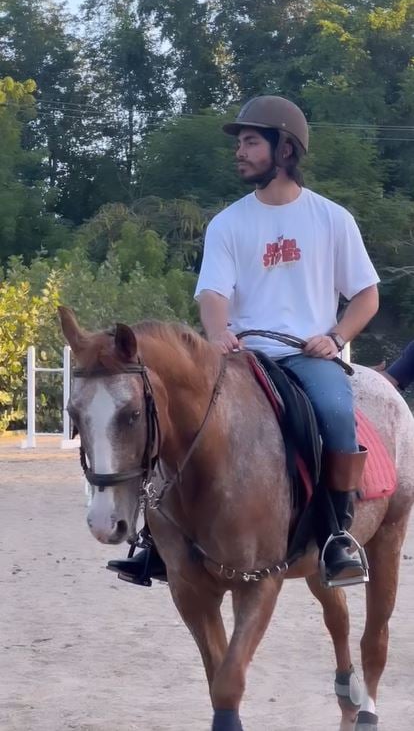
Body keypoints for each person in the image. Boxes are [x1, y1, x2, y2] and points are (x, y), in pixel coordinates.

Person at [108, 95, 379, 587]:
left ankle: (338, 536)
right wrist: (218, 333)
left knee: (338, 415)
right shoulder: (229, 223)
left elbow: (366, 296)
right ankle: (154, 539)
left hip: (305, 354)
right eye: (240, 143)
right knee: (175, 417)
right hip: (241, 354)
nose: (240, 151)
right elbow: (212, 292)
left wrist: (336, 336)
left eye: (251, 142)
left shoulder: (332, 219)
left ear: (285, 151)